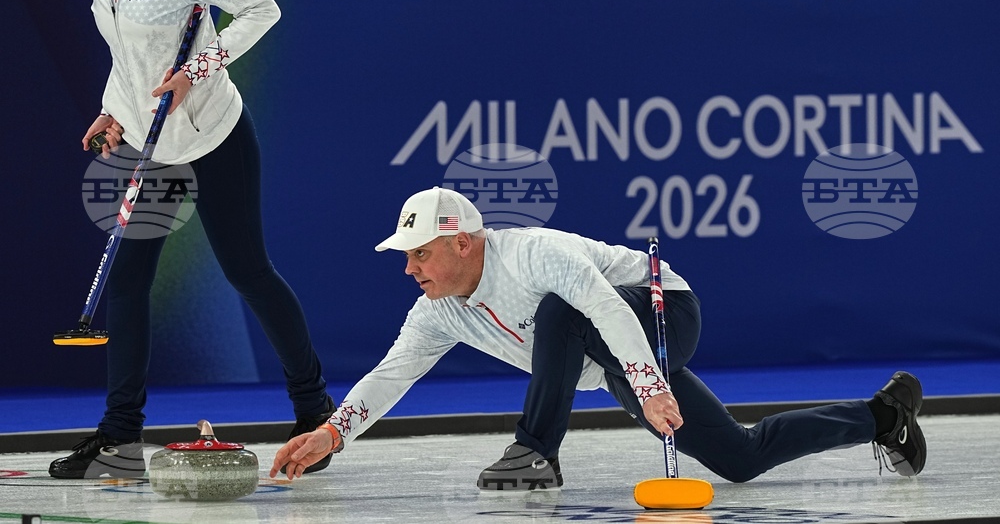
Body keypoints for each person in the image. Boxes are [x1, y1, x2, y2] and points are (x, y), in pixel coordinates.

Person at [270, 186, 926, 489]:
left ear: (462, 243)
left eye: (419, 253)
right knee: (739, 457)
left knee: (562, 309)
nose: (409, 267)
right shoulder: (438, 308)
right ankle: (881, 415)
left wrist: (649, 385)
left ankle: (535, 452)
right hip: (609, 352)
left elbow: (601, 305)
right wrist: (330, 434)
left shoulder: (534, 254)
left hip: (664, 310)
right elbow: (390, 377)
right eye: (406, 255)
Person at [50, 0, 334, 479]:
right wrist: (113, 109)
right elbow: (128, 53)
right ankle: (122, 438)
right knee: (127, 283)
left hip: (212, 136)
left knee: (249, 273)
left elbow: (262, 10)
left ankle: (315, 415)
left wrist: (198, 69)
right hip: (152, 146)